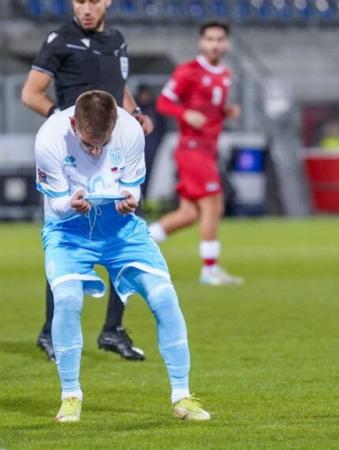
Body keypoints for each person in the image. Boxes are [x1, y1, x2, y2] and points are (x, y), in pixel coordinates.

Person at [35, 90, 210, 423]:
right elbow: (55, 204)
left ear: (116, 122)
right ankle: (70, 396)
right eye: (88, 144)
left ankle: (183, 396)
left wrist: (131, 199)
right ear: (73, 123)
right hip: (69, 231)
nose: (96, 151)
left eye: (103, 143)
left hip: (121, 231)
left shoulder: (130, 129)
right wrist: (70, 203)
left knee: (164, 296)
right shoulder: (49, 139)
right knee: (68, 300)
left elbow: (134, 186)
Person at [21, 0, 154, 362]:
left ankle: (112, 329)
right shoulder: (59, 39)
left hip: (112, 156)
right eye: (79, 1)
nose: (86, 8)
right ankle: (50, 331)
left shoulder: (117, 40)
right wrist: (62, 121)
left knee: (121, 239)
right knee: (64, 242)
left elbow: (118, 89)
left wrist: (135, 114)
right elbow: (30, 93)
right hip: (73, 160)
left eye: (93, 0)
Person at [147, 21, 243, 286]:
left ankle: (138, 242)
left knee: (189, 214)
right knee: (214, 204)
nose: (214, 44)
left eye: (219, 39)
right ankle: (209, 270)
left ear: (227, 44)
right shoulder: (188, 71)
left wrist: (226, 113)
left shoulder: (224, 74)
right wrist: (184, 113)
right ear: (201, 43)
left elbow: (211, 109)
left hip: (207, 150)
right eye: (209, 39)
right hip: (192, 149)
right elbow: (163, 102)